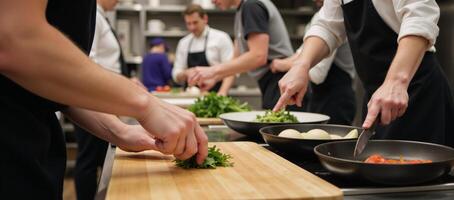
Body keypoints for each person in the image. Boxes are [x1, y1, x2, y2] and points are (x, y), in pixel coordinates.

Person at [0, 0, 208, 199]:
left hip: (34, 147)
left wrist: (120, 131)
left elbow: (56, 80)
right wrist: (145, 104)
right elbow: (13, 39)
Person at [274, 0, 454, 147]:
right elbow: (327, 25)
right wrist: (301, 65)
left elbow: (420, 13)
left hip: (417, 93)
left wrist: (396, 81)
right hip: (376, 98)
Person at [189, 0, 305, 110]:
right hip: (275, 82)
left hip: (282, 82)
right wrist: (215, 78)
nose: (212, 1)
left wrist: (212, 71)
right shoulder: (242, 10)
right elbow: (236, 58)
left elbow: (258, 56)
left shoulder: (252, 6)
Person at [270, 0, 356, 125]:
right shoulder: (320, 17)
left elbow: (317, 73)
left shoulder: (337, 16)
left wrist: (283, 65)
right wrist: (288, 64)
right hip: (319, 97)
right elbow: (302, 54)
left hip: (336, 101)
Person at [172, 4, 235, 96]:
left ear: (205, 19)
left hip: (216, 94)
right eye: (188, 23)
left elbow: (231, 70)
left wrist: (222, 93)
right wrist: (185, 73)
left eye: (195, 22)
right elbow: (176, 74)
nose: (192, 27)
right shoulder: (183, 43)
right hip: (189, 97)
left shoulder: (221, 38)